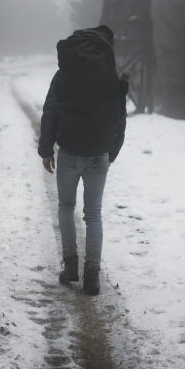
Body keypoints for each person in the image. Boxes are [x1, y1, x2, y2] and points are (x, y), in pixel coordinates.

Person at [38, 25, 129, 296]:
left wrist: (46, 149)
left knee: (66, 206)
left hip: (69, 152)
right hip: (99, 154)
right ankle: (92, 276)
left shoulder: (64, 73)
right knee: (94, 215)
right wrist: (112, 151)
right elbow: (120, 116)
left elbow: (50, 111)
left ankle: (70, 267)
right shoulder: (110, 75)